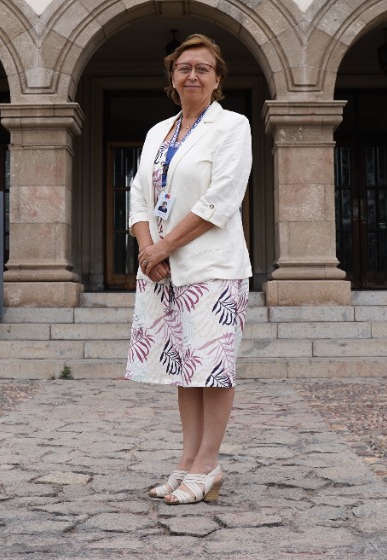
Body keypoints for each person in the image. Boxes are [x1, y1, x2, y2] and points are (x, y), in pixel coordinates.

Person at [124, 33, 252, 505]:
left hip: (213, 267)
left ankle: (209, 464)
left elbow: (221, 198)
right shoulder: (158, 132)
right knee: (186, 367)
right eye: (184, 68)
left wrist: (165, 247)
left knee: (212, 368)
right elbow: (139, 194)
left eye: (202, 68)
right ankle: (188, 459)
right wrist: (148, 249)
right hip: (163, 268)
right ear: (172, 78)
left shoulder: (232, 126)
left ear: (217, 79)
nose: (192, 75)